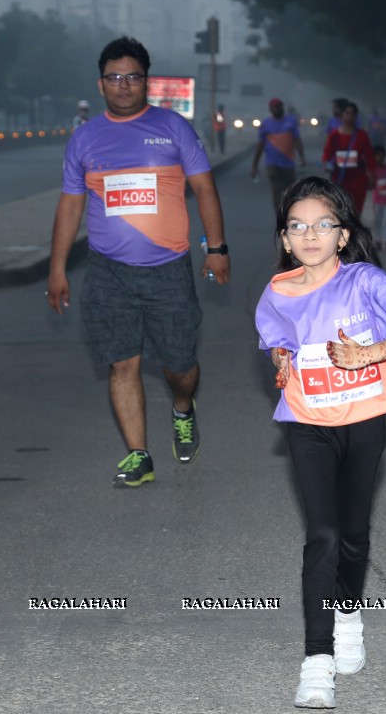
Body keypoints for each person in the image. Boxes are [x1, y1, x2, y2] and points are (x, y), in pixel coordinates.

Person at [254, 177, 386, 709]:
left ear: (342, 235)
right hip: (307, 422)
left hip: (363, 419)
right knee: (324, 535)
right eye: (297, 226)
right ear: (286, 240)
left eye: (323, 225)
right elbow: (277, 342)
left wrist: (370, 353)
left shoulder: (366, 281)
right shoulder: (276, 292)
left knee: (354, 534)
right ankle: (317, 659)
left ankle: (348, 612)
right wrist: (280, 359)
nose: (310, 234)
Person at [47, 36, 230, 488]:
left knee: (179, 365)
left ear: (146, 81)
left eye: (132, 76)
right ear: (100, 84)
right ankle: (138, 454)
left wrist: (217, 248)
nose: (124, 85)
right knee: (121, 364)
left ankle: (183, 408)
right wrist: (56, 268)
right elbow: (70, 206)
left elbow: (205, 189)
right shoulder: (85, 139)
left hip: (168, 268)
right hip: (108, 270)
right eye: (114, 78)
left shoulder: (173, 128)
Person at [250, 97, 306, 212]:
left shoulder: (291, 122)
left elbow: (297, 140)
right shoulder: (266, 124)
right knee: (276, 194)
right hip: (273, 164)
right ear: (271, 109)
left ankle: (289, 216)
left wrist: (302, 156)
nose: (279, 108)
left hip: (288, 163)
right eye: (276, 107)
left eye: (280, 106)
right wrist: (254, 165)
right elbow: (260, 145)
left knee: (290, 194)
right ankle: (280, 218)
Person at [322, 101, 377, 216]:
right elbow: (327, 153)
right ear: (342, 116)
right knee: (340, 211)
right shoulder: (334, 135)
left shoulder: (362, 135)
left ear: (356, 116)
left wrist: (372, 176)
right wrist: (326, 164)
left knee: (355, 212)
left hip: (358, 179)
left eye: (352, 114)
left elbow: (369, 157)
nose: (350, 116)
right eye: (347, 113)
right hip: (339, 178)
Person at [370, 145, 386, 250]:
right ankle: (378, 240)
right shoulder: (373, 170)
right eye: (377, 155)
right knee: (378, 220)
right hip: (377, 199)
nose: (380, 157)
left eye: (381, 155)